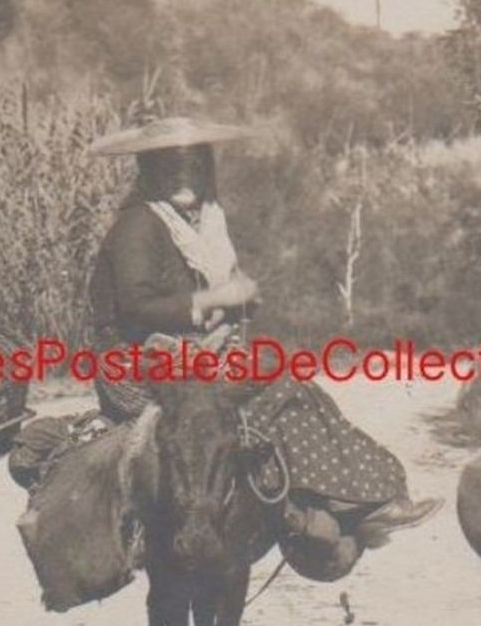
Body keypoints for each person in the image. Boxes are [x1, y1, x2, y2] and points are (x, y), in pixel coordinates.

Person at [85, 117, 441, 575]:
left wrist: (233, 307)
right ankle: (309, 511)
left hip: (186, 356)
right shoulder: (139, 224)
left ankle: (353, 500)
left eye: (194, 165)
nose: (185, 176)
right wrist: (214, 299)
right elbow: (136, 307)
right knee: (268, 396)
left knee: (290, 382)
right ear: (149, 172)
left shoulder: (202, 227)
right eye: (170, 167)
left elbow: (204, 304)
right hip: (133, 364)